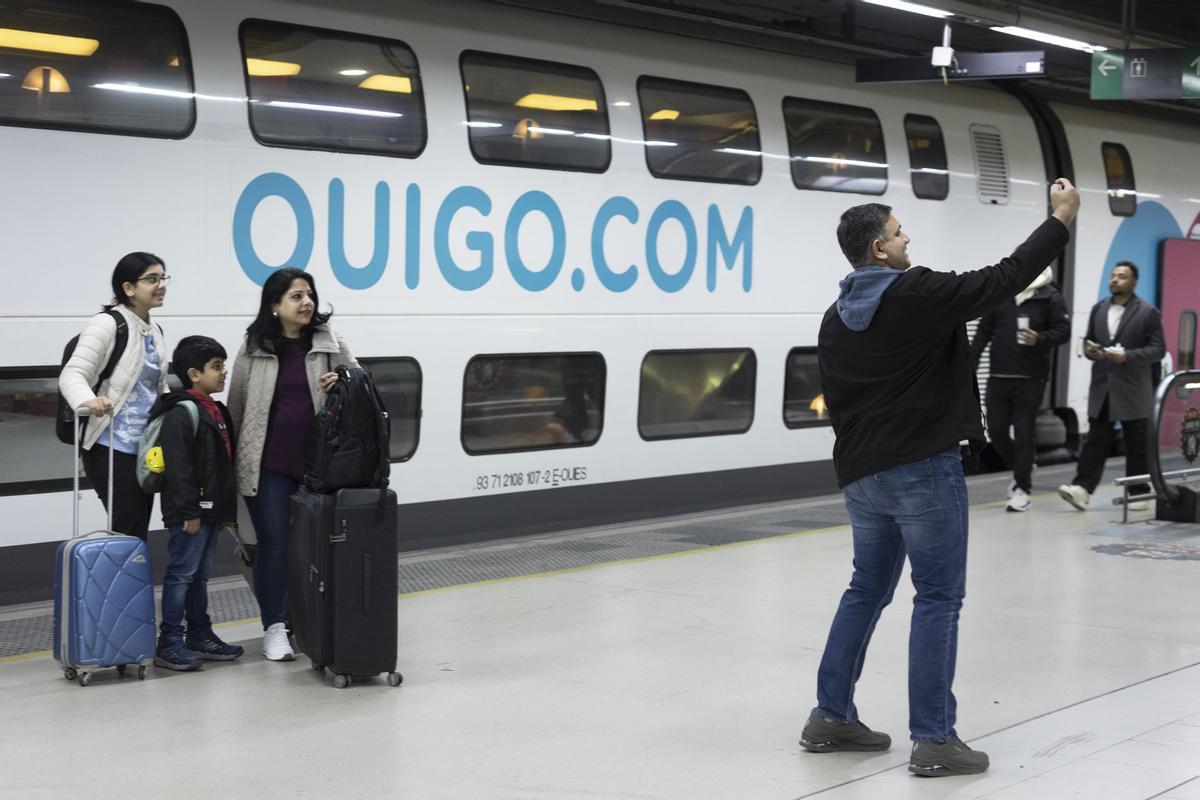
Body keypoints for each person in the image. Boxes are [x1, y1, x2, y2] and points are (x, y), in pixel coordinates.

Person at [799, 179, 1079, 777]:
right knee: (938, 598)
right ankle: (933, 739)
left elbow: (838, 400)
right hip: (923, 468)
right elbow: (1005, 277)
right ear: (879, 249)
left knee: (866, 590)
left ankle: (830, 716)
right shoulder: (918, 292)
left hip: (860, 475)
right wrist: (1060, 219)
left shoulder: (833, 317)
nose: (908, 239)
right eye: (899, 233)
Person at [227, 268, 357, 662]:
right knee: (274, 547)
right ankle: (275, 628)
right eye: (296, 296)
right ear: (275, 305)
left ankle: (310, 621)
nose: (306, 303)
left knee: (316, 549)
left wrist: (345, 382)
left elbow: (364, 389)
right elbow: (236, 408)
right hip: (268, 467)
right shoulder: (254, 348)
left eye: (309, 295)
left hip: (320, 468)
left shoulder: (329, 343)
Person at [59, 252, 170, 541]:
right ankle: (122, 586)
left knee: (135, 532)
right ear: (128, 288)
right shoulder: (107, 324)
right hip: (111, 448)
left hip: (143, 449)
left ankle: (128, 586)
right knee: (129, 533)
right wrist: (88, 400)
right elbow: (72, 375)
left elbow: (154, 388)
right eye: (152, 279)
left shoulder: (154, 329)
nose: (161, 285)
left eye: (163, 278)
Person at [151, 336, 244, 671]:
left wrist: (222, 512)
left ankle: (199, 634)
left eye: (223, 365)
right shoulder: (181, 411)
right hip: (188, 513)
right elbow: (180, 467)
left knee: (200, 576)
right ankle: (170, 640)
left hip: (209, 512)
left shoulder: (216, 410)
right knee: (181, 575)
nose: (224, 373)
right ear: (194, 373)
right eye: (216, 367)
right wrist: (189, 511)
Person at [1058, 262, 1165, 512]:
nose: (1115, 280)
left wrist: (1128, 356)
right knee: (1096, 439)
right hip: (1103, 388)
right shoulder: (1099, 309)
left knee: (1136, 445)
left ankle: (1138, 492)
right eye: (1114, 275)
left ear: (1134, 282)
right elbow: (1088, 343)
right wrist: (1091, 352)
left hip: (1134, 389)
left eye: (1122, 276)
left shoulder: (1148, 312)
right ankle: (1081, 489)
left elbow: (1158, 349)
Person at [970, 267, 1071, 511]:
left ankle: (1022, 488)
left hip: (1031, 377)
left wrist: (1040, 338)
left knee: (1025, 432)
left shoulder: (1050, 296)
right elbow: (984, 331)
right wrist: (970, 364)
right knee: (996, 431)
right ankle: (1022, 467)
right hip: (998, 375)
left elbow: (1063, 331)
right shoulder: (1003, 294)